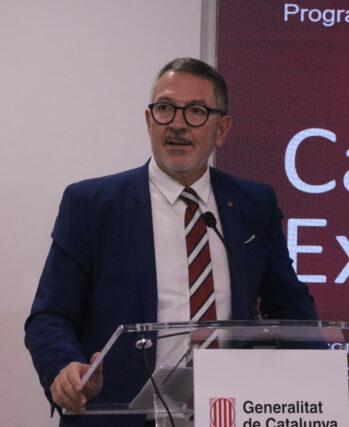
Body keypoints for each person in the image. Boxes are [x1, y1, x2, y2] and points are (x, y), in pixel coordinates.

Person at [24, 58, 319, 426]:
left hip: (227, 415)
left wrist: (321, 378)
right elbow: (50, 315)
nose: (178, 124)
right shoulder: (93, 204)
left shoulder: (253, 204)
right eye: (165, 108)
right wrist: (64, 367)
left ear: (222, 128)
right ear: (149, 121)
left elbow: (289, 306)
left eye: (196, 111)